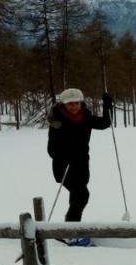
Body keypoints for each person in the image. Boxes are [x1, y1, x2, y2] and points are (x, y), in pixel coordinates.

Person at [47, 88, 113, 243]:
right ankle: (70, 232)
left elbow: (104, 123)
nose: (74, 106)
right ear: (64, 104)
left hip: (82, 164)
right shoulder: (57, 121)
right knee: (81, 194)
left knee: (79, 195)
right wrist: (65, 151)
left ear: (81, 102)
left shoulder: (86, 116)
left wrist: (107, 105)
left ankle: (69, 229)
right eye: (70, 104)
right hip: (64, 166)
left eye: (76, 103)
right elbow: (51, 150)